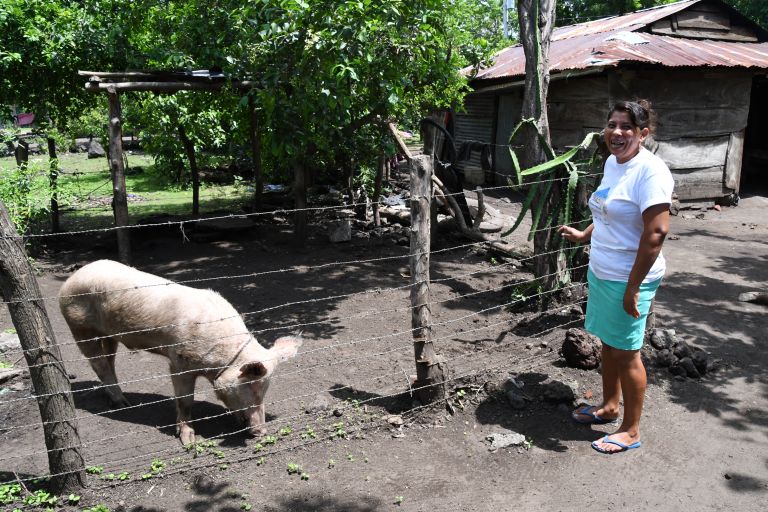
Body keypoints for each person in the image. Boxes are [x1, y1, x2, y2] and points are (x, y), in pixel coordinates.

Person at [558, 100, 674, 454]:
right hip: (604, 271)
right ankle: (609, 407)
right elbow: (610, 208)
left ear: (643, 134)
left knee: (627, 352)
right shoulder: (613, 163)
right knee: (609, 342)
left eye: (626, 127)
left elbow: (655, 233)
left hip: (630, 277)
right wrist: (584, 235)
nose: (617, 133)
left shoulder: (651, 172)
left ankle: (631, 429)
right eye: (611, 125)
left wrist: (634, 289)